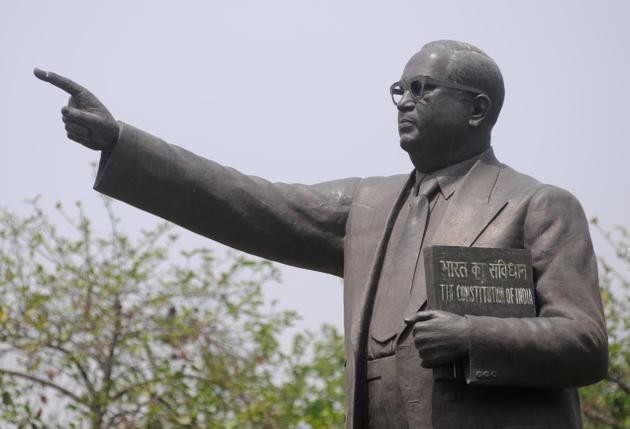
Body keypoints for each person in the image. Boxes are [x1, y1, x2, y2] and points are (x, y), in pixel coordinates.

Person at [35, 40, 607, 429]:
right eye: (399, 90)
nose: (404, 102)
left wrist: (471, 334)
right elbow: (246, 200)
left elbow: (584, 343)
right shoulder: (369, 204)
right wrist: (121, 143)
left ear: (477, 109)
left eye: (423, 88)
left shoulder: (537, 205)